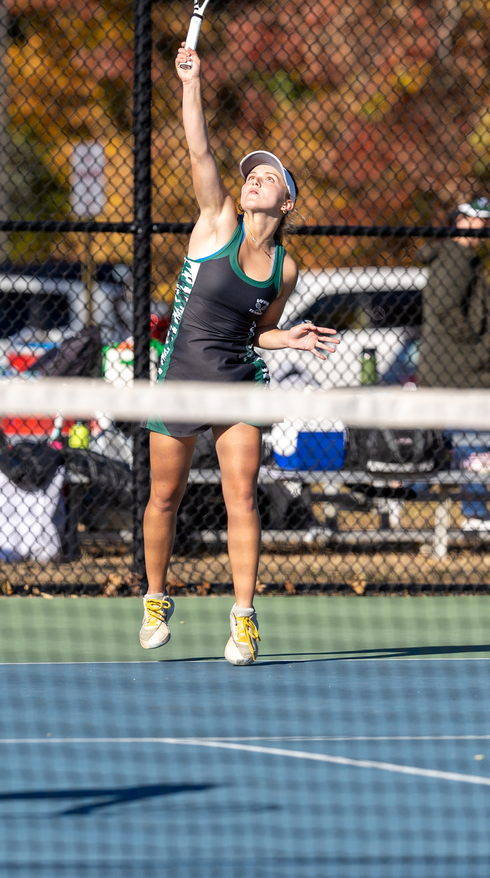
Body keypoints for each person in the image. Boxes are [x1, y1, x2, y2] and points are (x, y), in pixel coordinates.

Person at [139, 47, 337, 666]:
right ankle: (155, 597)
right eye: (252, 173)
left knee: (241, 498)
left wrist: (291, 337)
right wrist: (191, 84)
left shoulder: (286, 266)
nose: (254, 178)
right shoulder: (215, 219)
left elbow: (258, 332)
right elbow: (199, 150)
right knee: (163, 498)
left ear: (285, 205)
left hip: (240, 382)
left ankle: (244, 618)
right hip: (180, 379)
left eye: (269, 177)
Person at [415, 197, 490, 531]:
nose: (481, 226)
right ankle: (476, 513)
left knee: (449, 448)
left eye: (485, 219)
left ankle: (399, 492)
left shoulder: (462, 257)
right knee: (472, 446)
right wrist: (472, 343)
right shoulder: (456, 257)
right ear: (459, 221)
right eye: (473, 218)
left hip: (452, 372)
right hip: (459, 374)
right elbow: (444, 306)